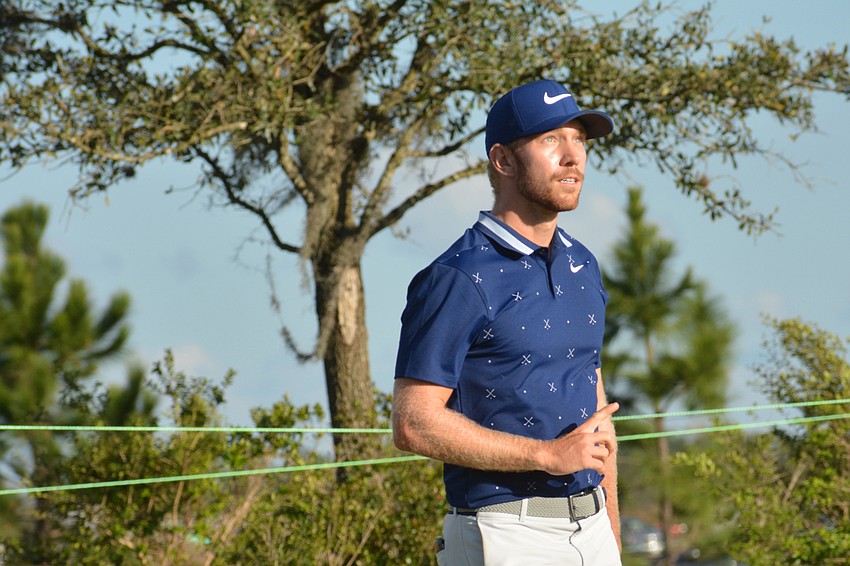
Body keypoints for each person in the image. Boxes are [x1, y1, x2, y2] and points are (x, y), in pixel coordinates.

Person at [391, 78, 621, 565]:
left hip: (594, 527)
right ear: (504, 161)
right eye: (551, 139)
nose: (573, 156)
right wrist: (545, 456)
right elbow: (412, 423)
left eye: (579, 139)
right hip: (506, 533)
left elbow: (598, 422)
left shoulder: (584, 266)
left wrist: (613, 539)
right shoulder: (457, 276)